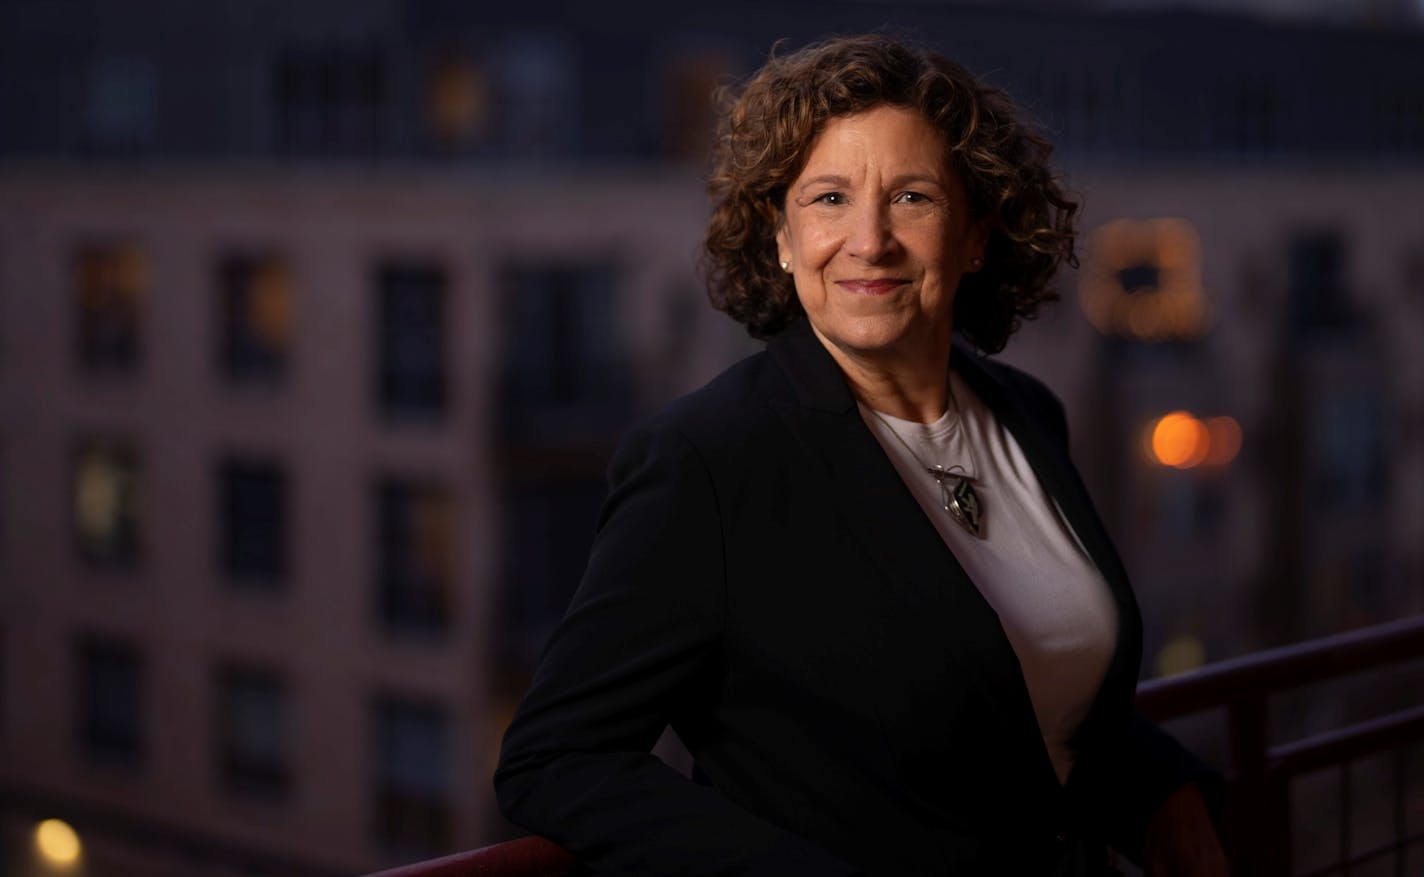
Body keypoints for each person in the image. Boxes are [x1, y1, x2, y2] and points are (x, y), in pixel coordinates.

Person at [495, 35, 1227, 876]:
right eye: (829, 198)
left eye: (912, 197)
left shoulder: (1030, 415)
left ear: (976, 234)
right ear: (780, 236)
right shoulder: (706, 462)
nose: (869, 240)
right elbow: (553, 759)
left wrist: (1166, 791)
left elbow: (1018, 681)